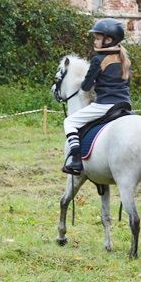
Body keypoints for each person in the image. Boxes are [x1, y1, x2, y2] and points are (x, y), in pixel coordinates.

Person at [62, 18, 131, 175]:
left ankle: (76, 159)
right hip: (125, 105)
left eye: (98, 38)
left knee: (70, 121)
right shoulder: (124, 59)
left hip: (105, 105)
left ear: (109, 40)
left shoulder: (98, 60)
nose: (95, 41)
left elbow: (86, 87)